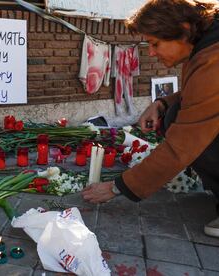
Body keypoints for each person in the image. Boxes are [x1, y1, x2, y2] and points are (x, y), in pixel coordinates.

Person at [81, 0, 219, 238]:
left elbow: (181, 146)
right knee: (173, 113)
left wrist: (117, 187)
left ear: (184, 30)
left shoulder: (213, 59)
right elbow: (199, 94)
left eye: (155, 43)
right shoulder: (206, 46)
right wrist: (161, 103)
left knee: (184, 127)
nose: (151, 52)